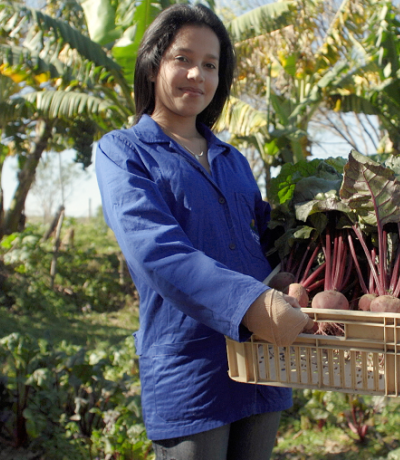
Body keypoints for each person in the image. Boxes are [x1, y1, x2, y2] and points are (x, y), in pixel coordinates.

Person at [94, 4, 314, 460]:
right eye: (183, 59)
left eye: (210, 65)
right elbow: (158, 253)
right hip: (190, 366)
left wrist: (300, 271)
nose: (197, 74)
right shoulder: (123, 151)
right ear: (154, 64)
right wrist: (253, 303)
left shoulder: (232, 159)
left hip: (262, 358)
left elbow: (266, 242)